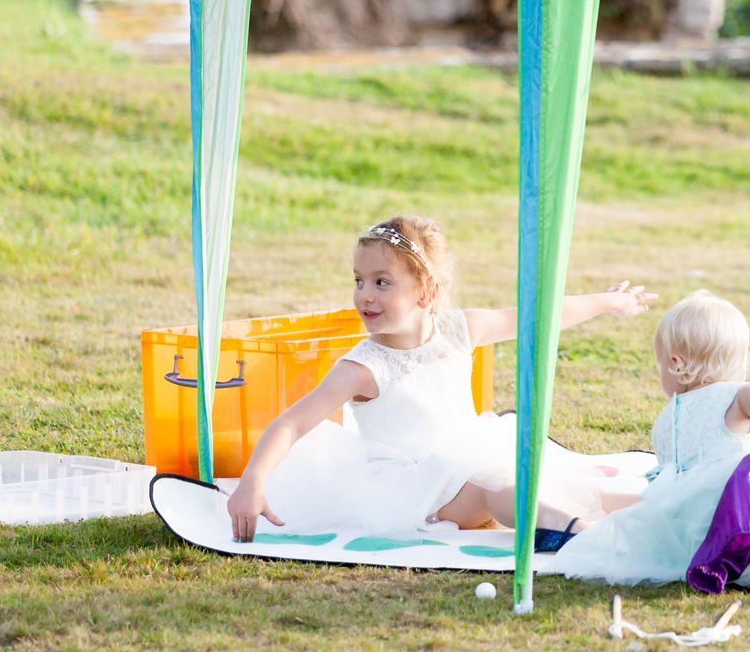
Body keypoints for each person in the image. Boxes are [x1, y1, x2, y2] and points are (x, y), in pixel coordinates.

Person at [225, 214, 653, 543]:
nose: (364, 295)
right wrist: (253, 483)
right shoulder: (364, 367)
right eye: (359, 281)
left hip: (470, 455)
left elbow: (536, 318)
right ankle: (578, 532)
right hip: (417, 488)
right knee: (495, 487)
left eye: (381, 282)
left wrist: (608, 302)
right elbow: (292, 423)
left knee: (551, 478)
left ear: (426, 292)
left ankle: (664, 511)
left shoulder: (458, 329)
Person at [551, 291, 750, 589]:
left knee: (643, 523)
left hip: (728, 511)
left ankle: (585, 504)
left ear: (675, 363)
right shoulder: (673, 413)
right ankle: (587, 501)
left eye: (659, 365)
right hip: (705, 513)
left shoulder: (733, 396)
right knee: (645, 516)